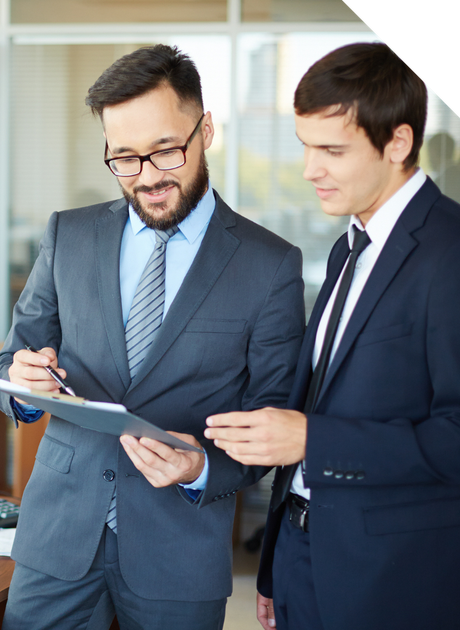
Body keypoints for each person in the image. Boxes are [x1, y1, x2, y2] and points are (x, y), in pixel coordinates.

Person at [0, 44, 305, 630]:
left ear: (205, 129)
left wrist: (199, 469)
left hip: (179, 551)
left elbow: (271, 419)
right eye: (124, 159)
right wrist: (20, 380)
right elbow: (15, 356)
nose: (147, 178)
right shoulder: (69, 235)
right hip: (56, 538)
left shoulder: (270, 265)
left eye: (165, 151)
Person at [205, 42, 460, 630]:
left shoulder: (450, 255)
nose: (309, 169)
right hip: (301, 561)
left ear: (397, 143)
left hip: (391, 581)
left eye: (331, 150)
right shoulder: (348, 246)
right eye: (305, 146)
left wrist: (313, 441)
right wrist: (276, 570)